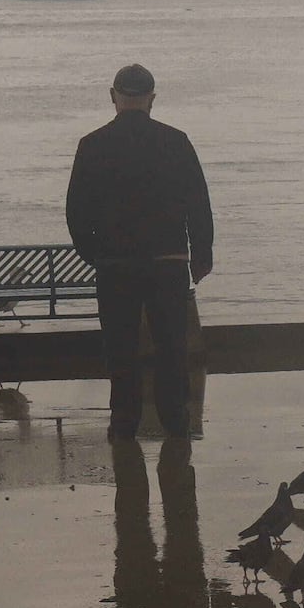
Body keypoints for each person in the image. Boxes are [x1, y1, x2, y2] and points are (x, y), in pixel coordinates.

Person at [63, 63, 213, 442]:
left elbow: (76, 213)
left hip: (116, 266)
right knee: (171, 351)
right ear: (152, 99)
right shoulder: (176, 141)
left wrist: (96, 254)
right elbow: (198, 203)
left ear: (113, 96)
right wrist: (201, 255)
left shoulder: (93, 144)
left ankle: (124, 425)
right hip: (168, 263)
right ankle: (175, 425)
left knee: (121, 353)